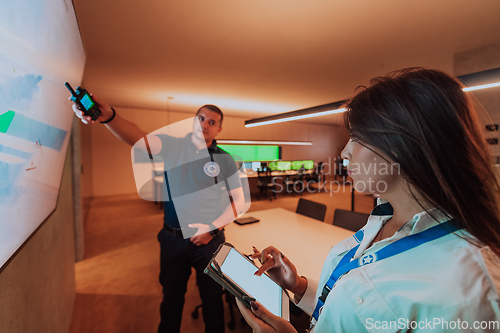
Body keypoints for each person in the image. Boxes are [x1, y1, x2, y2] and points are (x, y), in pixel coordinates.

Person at [235, 68, 500, 332]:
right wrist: (298, 285)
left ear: (405, 145)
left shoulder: (472, 290)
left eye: (358, 138)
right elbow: (358, 312)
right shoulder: (384, 218)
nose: (344, 152)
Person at [73, 98, 245, 333]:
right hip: (172, 240)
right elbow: (138, 137)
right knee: (171, 300)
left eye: (212, 122)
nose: (205, 124)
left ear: (219, 129)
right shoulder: (174, 147)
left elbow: (239, 201)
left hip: (209, 242)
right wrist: (110, 117)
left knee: (213, 302)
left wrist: (212, 229)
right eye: (201, 119)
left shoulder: (225, 159)